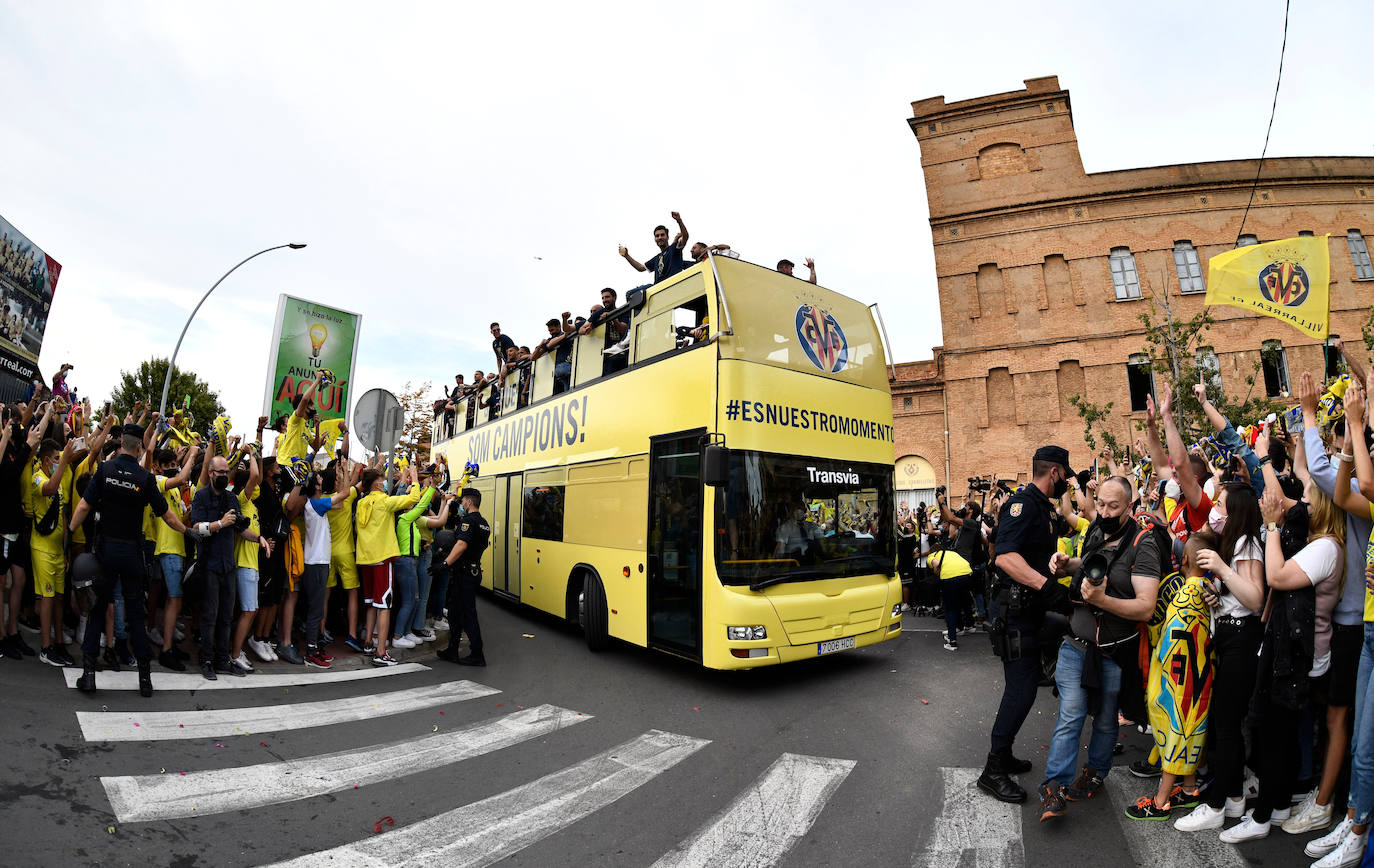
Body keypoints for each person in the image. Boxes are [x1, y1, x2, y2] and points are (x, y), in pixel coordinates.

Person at [1037, 475, 1161, 823]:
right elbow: (1091, 563)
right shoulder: (1094, 529)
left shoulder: (1143, 544)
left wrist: (1104, 600)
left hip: (1113, 649)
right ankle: (1054, 787)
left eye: (1113, 507)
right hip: (1076, 644)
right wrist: (1067, 563)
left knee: (1106, 719)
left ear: (1131, 506)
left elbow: (1146, 608)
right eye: (1100, 504)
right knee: (1071, 714)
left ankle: (1096, 772)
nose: (1104, 512)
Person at [977, 445, 1075, 804]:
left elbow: (1031, 556)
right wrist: (1046, 586)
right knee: (1020, 691)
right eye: (1066, 474)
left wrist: (1054, 568)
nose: (1067, 480)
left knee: (1026, 687)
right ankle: (993, 770)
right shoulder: (1022, 504)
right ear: (1055, 472)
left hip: (1029, 611)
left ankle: (1003, 757)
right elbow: (1006, 557)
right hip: (1016, 613)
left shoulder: (1040, 507)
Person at [70, 423, 191, 696]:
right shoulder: (145, 478)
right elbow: (168, 515)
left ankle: (89, 675)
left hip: (106, 552)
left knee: (98, 612)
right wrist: (189, 531)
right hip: (132, 553)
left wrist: (69, 533)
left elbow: (83, 506)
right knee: (136, 615)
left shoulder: (104, 471)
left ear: (122, 443)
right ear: (139, 447)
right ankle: (145, 679)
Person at [1173, 481, 1266, 831]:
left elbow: (1256, 599)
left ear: (1236, 512)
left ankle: (1215, 808)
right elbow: (1240, 597)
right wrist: (1220, 596)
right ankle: (1234, 800)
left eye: (1222, 506)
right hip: (1230, 638)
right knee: (1225, 725)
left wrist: (1222, 570)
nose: (1215, 512)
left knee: (1227, 726)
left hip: (1242, 642)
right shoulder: (1235, 544)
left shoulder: (1246, 543)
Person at [1125, 530, 1215, 821]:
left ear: (1185, 559)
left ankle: (1161, 800)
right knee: (1192, 734)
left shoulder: (1186, 594)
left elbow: (1170, 641)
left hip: (1180, 681)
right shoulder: (1210, 590)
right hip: (1200, 679)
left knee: (1177, 733)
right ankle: (1189, 790)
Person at [355, 463, 422, 666]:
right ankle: (381, 652)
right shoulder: (384, 501)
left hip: (365, 558)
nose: (385, 483)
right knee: (384, 606)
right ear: (376, 485)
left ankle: (368, 642)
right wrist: (415, 477)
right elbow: (413, 499)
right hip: (382, 558)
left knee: (370, 604)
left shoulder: (361, 503)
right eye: (382, 481)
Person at [188, 451, 242, 681]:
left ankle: (223, 659)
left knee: (226, 616)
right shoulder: (200, 496)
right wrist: (219, 524)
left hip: (228, 564)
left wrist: (258, 538)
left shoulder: (231, 498)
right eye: (220, 472)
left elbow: (239, 525)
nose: (224, 476)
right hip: (209, 563)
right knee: (210, 615)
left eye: (226, 472)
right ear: (210, 473)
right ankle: (207, 660)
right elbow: (196, 527)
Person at [31, 433, 76, 666]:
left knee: (59, 598)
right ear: (47, 460)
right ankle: (46, 647)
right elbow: (49, 488)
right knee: (48, 598)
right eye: (57, 458)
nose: (60, 461)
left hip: (58, 551)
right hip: (42, 549)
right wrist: (66, 461)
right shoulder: (37, 478)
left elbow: (63, 517)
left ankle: (58, 643)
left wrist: (66, 552)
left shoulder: (57, 479)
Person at [437, 487, 491, 667]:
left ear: (468, 501)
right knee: (454, 612)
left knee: (468, 614)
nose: (461, 504)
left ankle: (477, 653)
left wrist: (445, 563)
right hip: (472, 571)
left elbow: (461, 544)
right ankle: (452, 649)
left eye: (462, 501)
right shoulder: (484, 523)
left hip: (465, 573)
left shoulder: (468, 522)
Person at [619, 212, 689, 284]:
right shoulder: (656, 258)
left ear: (668, 237)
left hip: (674, 286)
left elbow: (685, 236)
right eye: (657, 236)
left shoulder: (674, 249)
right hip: (659, 290)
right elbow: (640, 268)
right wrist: (627, 256)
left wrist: (679, 221)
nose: (660, 237)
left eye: (662, 235)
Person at [930, 546, 973, 651]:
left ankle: (952, 641)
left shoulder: (932, 555)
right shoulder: (952, 553)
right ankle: (963, 626)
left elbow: (935, 564)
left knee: (950, 609)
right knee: (962, 602)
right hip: (967, 574)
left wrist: (936, 572)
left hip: (950, 578)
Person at [532, 317, 574, 394]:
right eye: (549, 331)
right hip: (559, 369)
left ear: (559, 326)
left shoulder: (565, 334)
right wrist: (540, 344)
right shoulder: (554, 338)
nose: (551, 333)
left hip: (564, 367)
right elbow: (533, 357)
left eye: (552, 330)